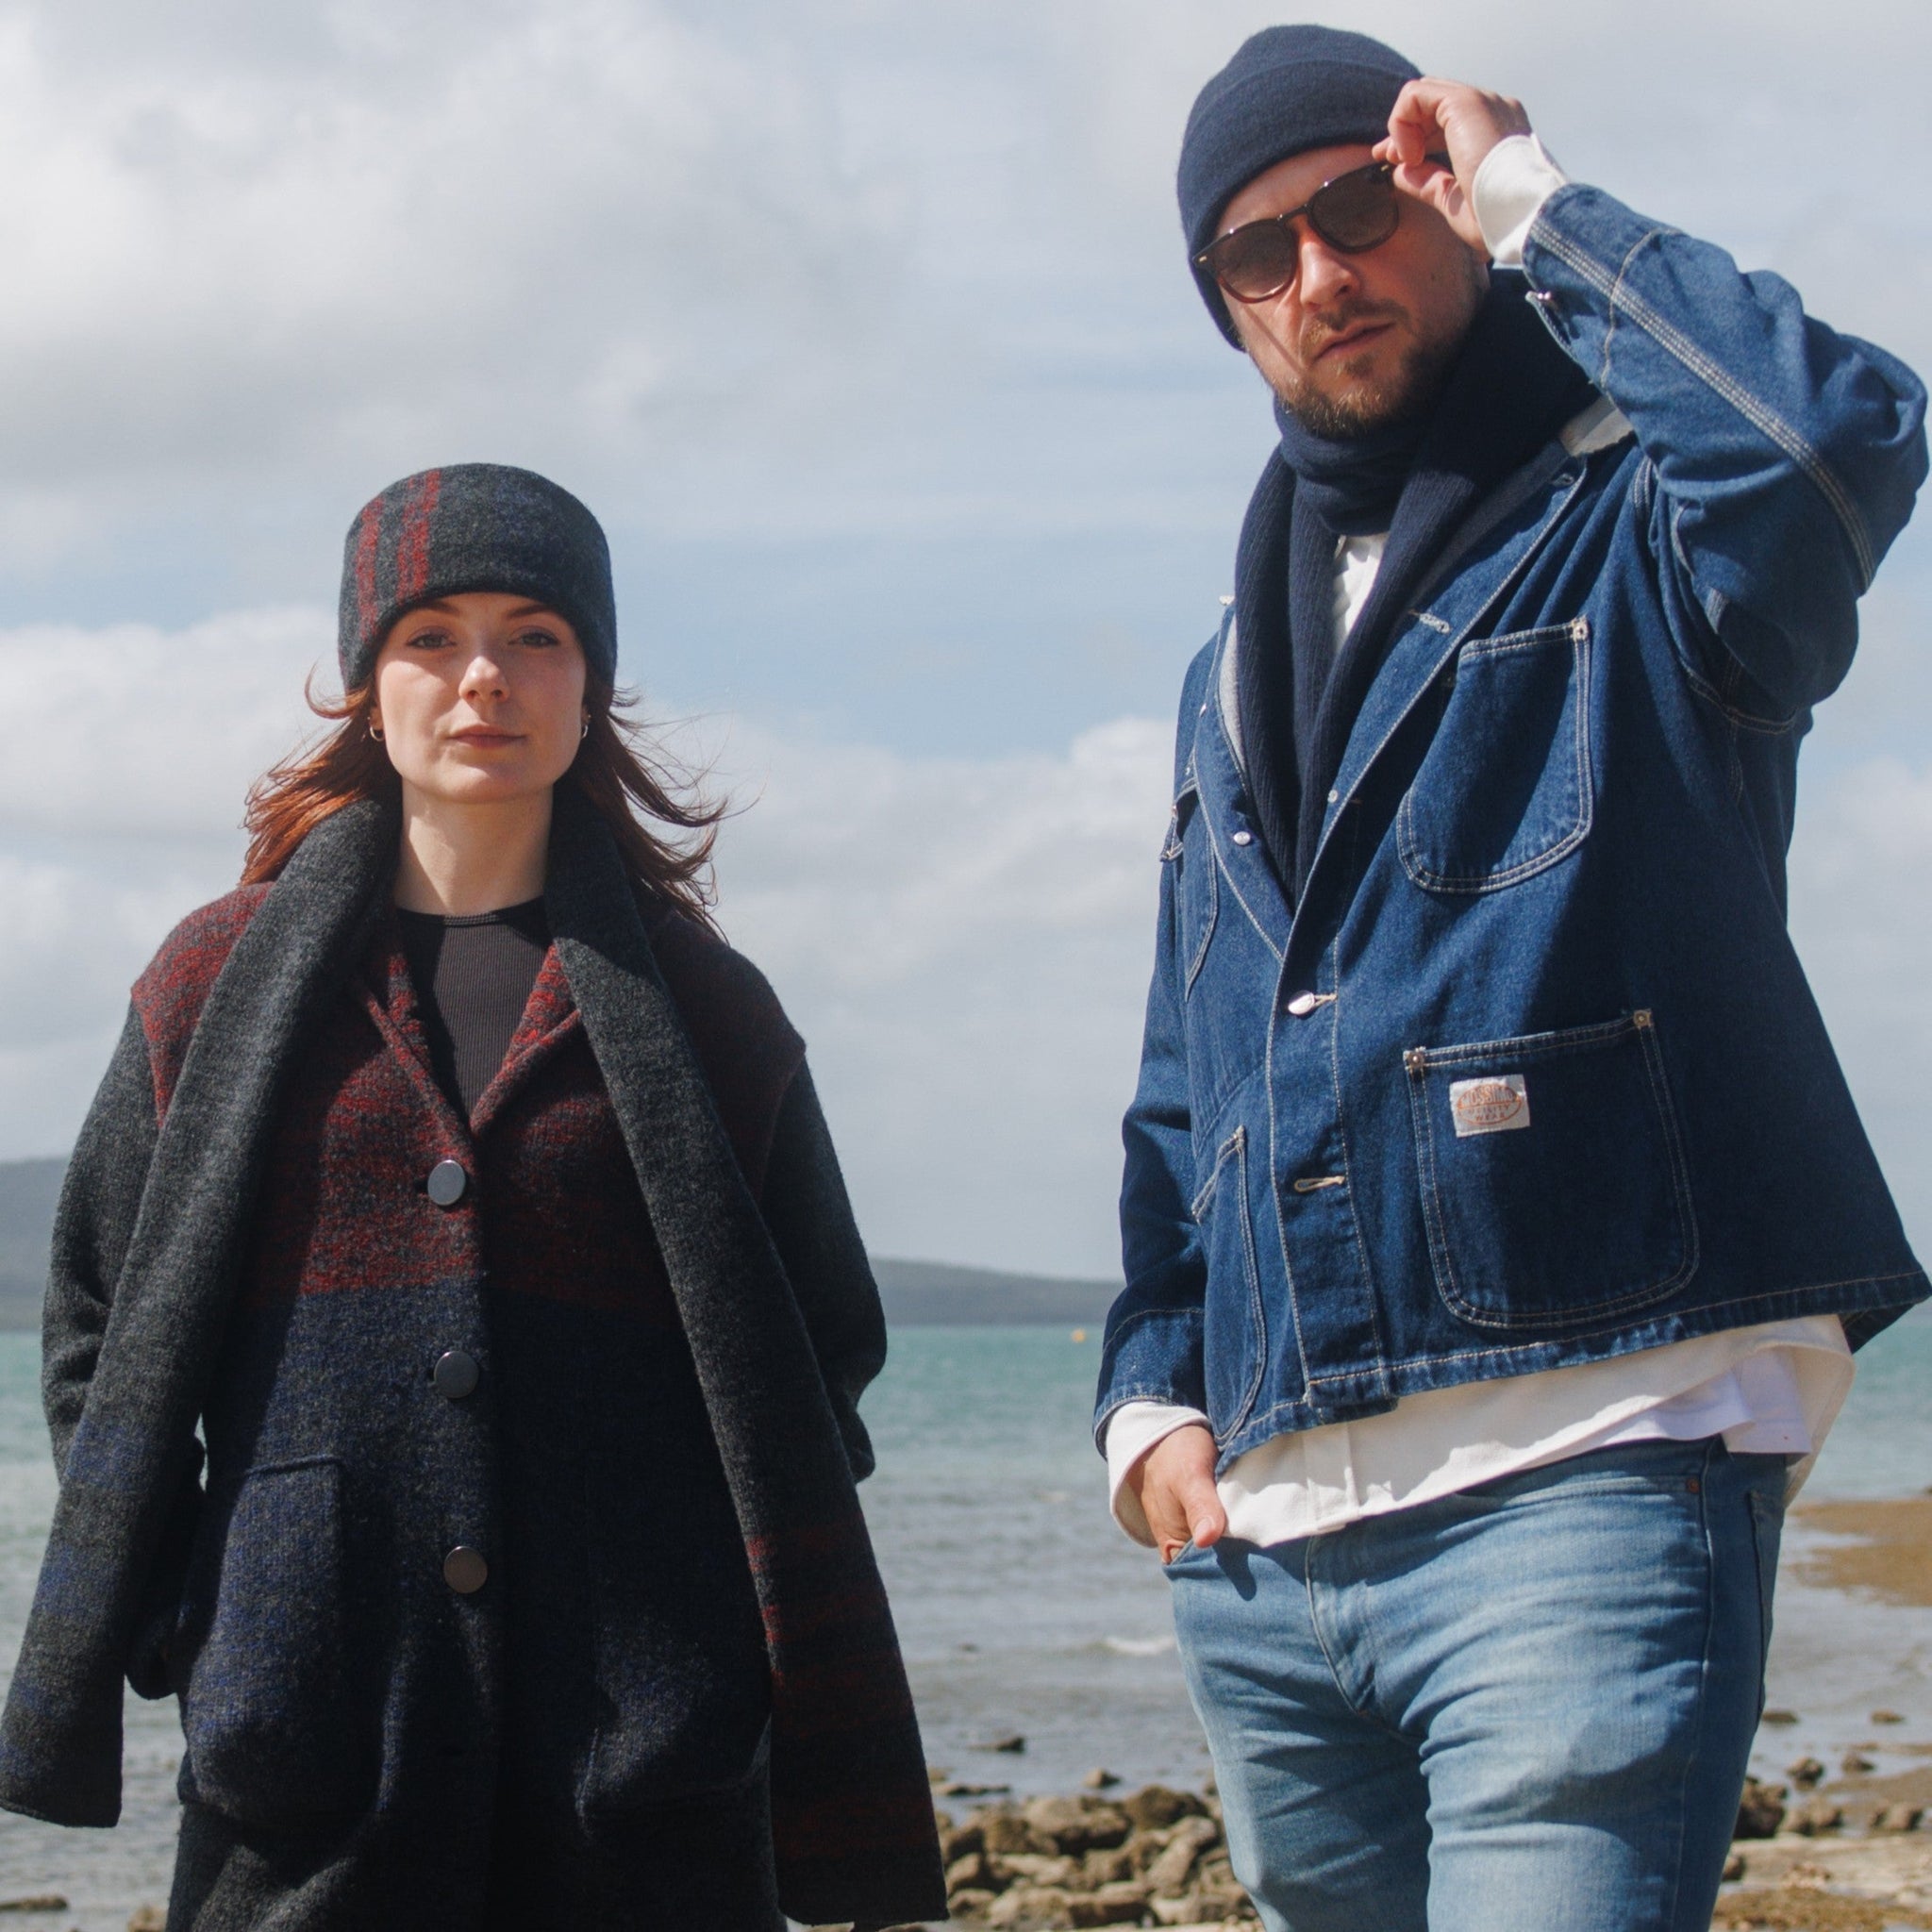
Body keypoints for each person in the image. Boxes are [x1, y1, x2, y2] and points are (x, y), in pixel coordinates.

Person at [1097, 25, 1928, 1932]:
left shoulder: (1639, 521)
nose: (1321, 272)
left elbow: (1826, 444)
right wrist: (1148, 1400)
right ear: (1223, 313)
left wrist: (1542, 202)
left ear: (1440, 202)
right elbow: (1184, 1082)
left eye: (1362, 205)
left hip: (1587, 1477)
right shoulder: (1226, 670)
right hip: (1273, 1562)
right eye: (1257, 253)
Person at [0, 464, 947, 1931]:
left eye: (535, 638)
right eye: (430, 637)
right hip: (306, 1777)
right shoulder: (209, 988)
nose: (482, 680)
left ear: (590, 690)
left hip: (645, 1787)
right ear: (366, 685)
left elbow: (825, 1344)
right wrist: (218, 1612)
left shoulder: (708, 1010)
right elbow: (92, 1329)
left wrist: (682, 1605)